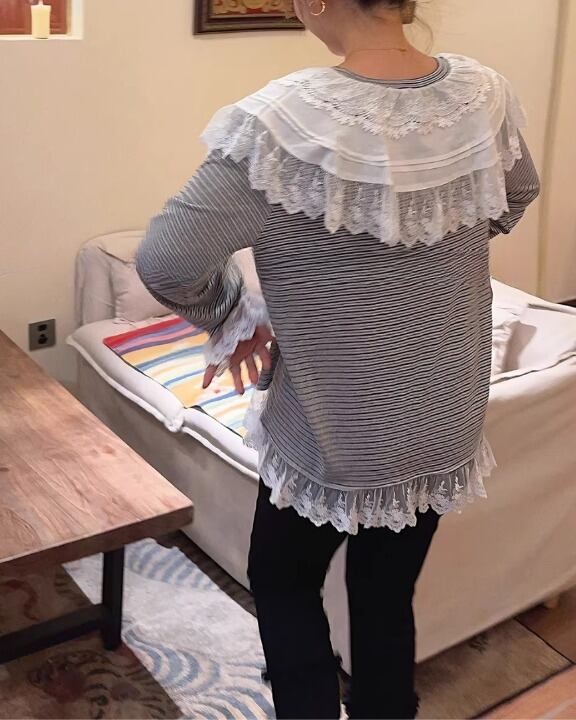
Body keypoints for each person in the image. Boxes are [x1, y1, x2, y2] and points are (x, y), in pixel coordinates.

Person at [136, 0, 540, 716]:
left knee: (283, 581)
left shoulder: (278, 125)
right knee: (386, 594)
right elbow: (516, 193)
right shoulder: (484, 95)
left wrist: (231, 314)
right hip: (444, 414)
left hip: (339, 428)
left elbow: (167, 260)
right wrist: (427, 254)